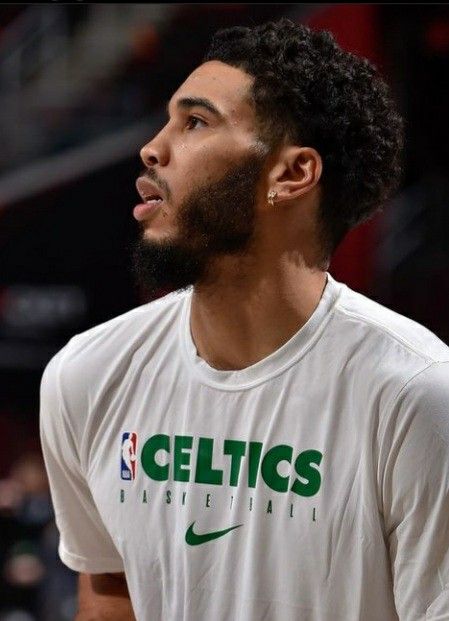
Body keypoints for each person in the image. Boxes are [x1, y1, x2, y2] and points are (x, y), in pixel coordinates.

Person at [39, 18, 449, 621]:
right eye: (167, 118)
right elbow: (110, 591)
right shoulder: (88, 372)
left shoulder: (414, 392)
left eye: (196, 122)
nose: (153, 147)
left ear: (291, 174)